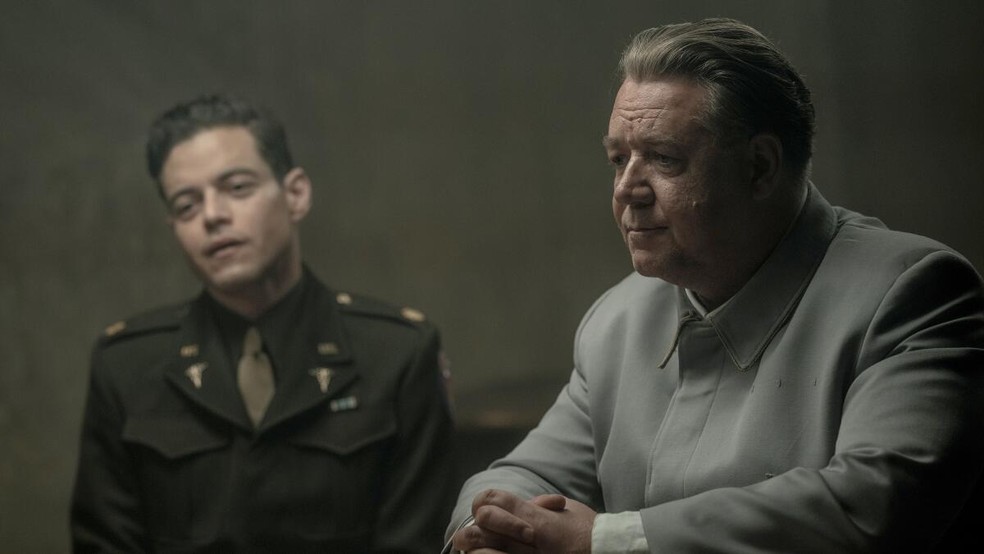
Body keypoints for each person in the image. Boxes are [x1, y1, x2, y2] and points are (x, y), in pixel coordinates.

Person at [447, 18, 984, 553]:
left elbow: (870, 503)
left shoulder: (912, 292)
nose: (627, 189)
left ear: (760, 167)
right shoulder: (617, 320)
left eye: (663, 158)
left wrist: (604, 540)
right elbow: (524, 475)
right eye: (618, 159)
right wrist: (489, 534)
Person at [71, 94, 454, 553]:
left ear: (296, 195)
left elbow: (418, 541)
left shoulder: (396, 355)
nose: (212, 215)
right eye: (187, 205)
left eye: (237, 188)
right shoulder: (128, 366)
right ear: (173, 227)